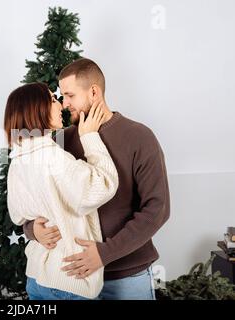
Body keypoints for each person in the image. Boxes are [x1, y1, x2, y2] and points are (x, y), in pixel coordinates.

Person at [23, 57, 171, 300]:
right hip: (72, 281)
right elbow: (28, 193)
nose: (64, 103)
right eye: (61, 96)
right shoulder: (59, 141)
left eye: (70, 95)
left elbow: (157, 208)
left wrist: (104, 253)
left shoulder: (139, 137)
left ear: (93, 92)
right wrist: (31, 229)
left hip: (125, 279)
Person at [4, 82, 119, 299]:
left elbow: (18, 215)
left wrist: (33, 229)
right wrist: (89, 136)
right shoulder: (52, 156)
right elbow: (103, 186)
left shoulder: (18, 160)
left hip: (37, 278)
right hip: (69, 279)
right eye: (53, 100)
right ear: (37, 109)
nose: (61, 106)